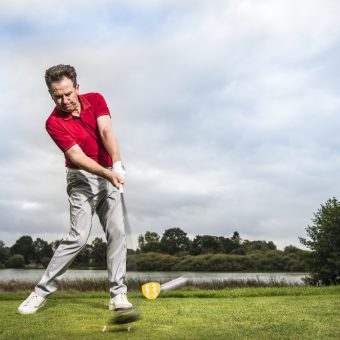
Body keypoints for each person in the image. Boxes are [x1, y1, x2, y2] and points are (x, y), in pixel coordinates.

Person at [18, 64, 132, 314]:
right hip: (80, 180)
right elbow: (77, 157)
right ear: (50, 94)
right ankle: (39, 293)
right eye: (57, 95)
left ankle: (118, 295)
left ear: (77, 88)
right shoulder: (53, 123)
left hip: (108, 174)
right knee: (78, 237)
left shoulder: (96, 99)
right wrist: (108, 172)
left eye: (68, 93)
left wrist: (117, 163)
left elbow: (106, 130)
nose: (65, 100)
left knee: (117, 233)